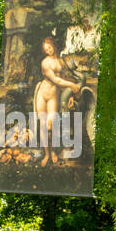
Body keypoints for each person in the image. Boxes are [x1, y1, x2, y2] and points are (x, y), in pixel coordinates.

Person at [33, 35, 83, 166]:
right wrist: (72, 86)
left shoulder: (61, 62)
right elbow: (56, 80)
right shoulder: (45, 62)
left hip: (54, 94)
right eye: (46, 49)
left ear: (53, 46)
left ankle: (54, 151)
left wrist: (71, 93)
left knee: (51, 125)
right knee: (43, 125)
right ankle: (47, 154)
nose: (48, 50)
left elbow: (67, 78)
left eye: (49, 48)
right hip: (43, 93)